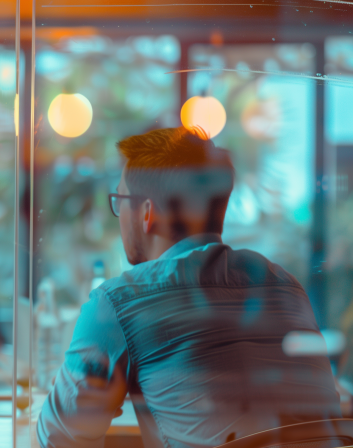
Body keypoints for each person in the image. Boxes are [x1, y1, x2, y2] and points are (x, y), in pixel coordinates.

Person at [37, 127, 341, 448]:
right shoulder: (284, 286)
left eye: (120, 199)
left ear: (146, 213)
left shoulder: (121, 302)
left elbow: (60, 439)